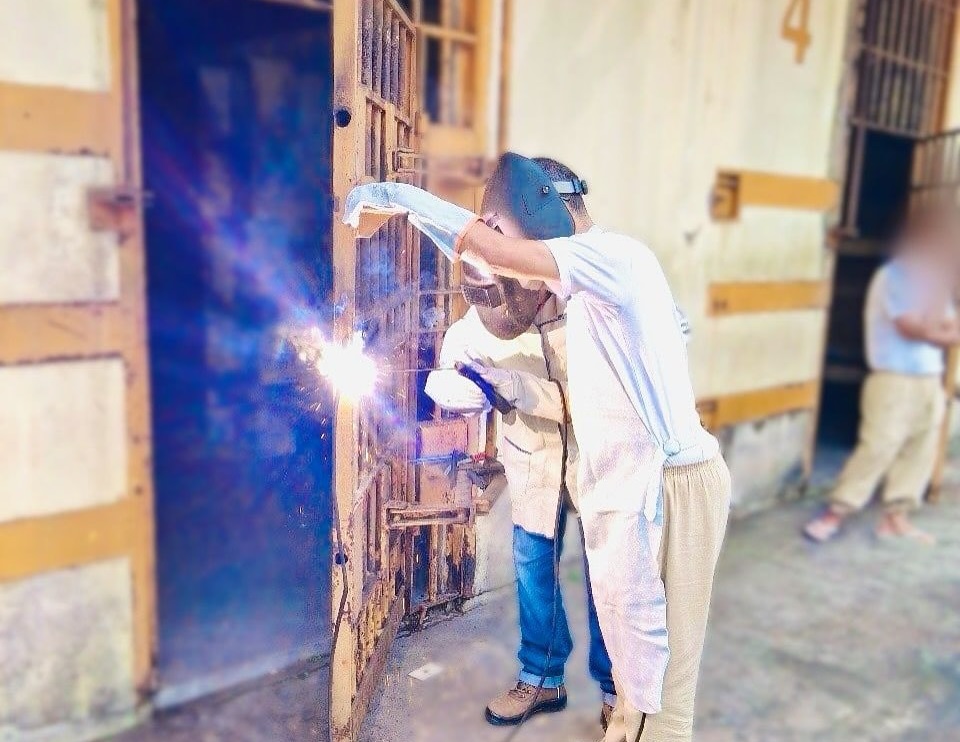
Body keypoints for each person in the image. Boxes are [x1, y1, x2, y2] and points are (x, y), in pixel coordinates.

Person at [344, 154, 731, 742]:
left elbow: (493, 251)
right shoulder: (593, 272)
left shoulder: (607, 260)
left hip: (659, 481)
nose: (500, 261)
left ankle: (632, 715)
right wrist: (465, 388)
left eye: (502, 232)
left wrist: (393, 196)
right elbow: (487, 261)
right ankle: (599, 703)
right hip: (611, 483)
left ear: (538, 209)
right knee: (638, 678)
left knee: (658, 691)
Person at [424, 155, 617, 728]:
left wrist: (518, 389)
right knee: (534, 569)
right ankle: (541, 678)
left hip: (600, 460)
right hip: (533, 463)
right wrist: (453, 379)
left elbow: (597, 403)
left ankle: (617, 690)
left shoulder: (597, 292)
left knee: (608, 576)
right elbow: (463, 345)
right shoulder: (496, 288)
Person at [804, 207, 960, 545]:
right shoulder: (895, 276)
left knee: (920, 446)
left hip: (929, 376)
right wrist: (937, 320)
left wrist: (937, 320)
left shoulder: (933, 281)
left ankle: (896, 517)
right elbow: (913, 329)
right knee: (879, 445)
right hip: (893, 377)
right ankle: (836, 512)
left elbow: (947, 329)